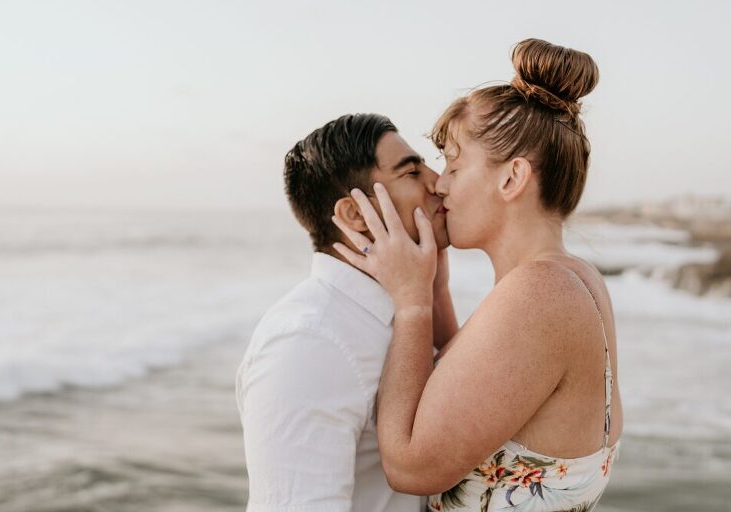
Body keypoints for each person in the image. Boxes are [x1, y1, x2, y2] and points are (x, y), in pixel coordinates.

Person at [332, 39, 623, 511]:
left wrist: (411, 303)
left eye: (453, 162)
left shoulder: (540, 294)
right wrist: (436, 288)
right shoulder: (572, 277)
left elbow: (409, 467)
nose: (440, 183)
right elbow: (473, 391)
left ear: (511, 179)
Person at [235, 113, 456, 512]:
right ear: (356, 215)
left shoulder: (396, 312)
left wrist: (433, 292)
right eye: (411, 172)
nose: (437, 182)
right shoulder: (309, 342)